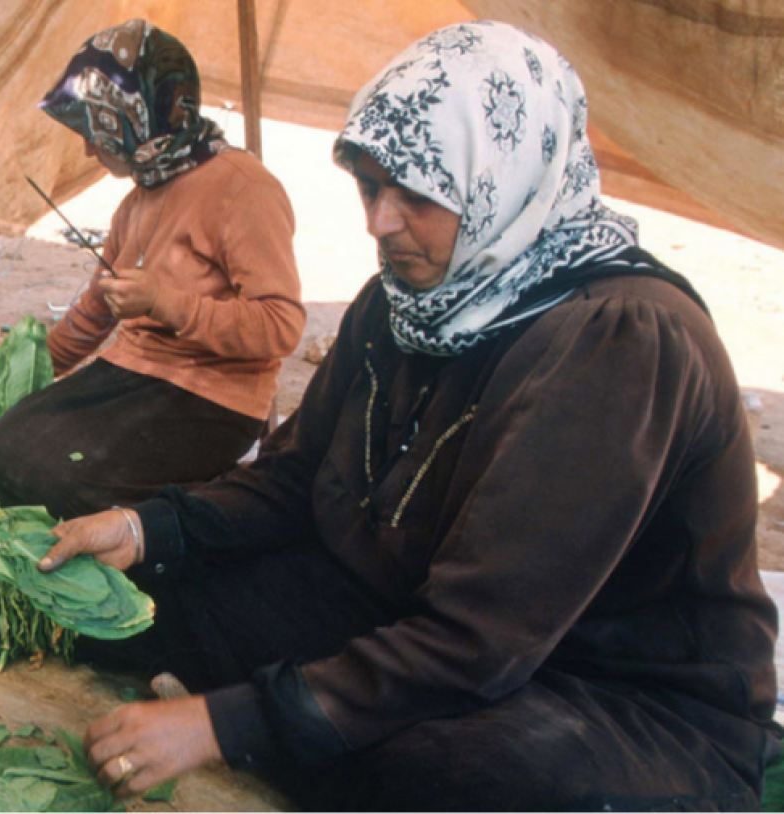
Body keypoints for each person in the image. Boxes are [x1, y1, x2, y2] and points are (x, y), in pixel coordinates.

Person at [39, 21, 780, 810]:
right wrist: (147, 528)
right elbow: (292, 478)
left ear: (501, 182)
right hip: (408, 610)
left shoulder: (622, 341)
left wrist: (223, 724)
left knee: (425, 772)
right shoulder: (403, 300)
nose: (379, 222)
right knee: (156, 602)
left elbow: (479, 639)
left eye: (417, 195)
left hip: (609, 693)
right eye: (369, 185)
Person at [0, 19, 304, 520]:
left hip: (212, 398)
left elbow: (280, 327)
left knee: (70, 488)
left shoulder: (244, 188)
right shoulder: (139, 198)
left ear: (140, 117)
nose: (88, 148)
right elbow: (96, 307)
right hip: (128, 375)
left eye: (98, 130)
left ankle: (199, 512)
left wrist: (164, 303)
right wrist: (25, 368)